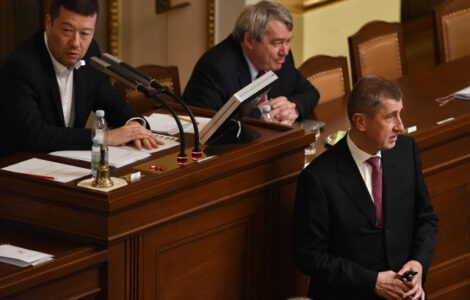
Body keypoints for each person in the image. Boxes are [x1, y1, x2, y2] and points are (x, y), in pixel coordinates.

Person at [293, 76, 438, 300]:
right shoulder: (318, 178)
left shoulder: (406, 150)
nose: (401, 125)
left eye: (400, 114)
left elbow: (426, 218)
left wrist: (418, 263)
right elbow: (309, 256)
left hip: (405, 293)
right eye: (391, 117)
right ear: (360, 122)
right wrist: (372, 283)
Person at [0, 0, 162, 157]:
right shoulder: (20, 66)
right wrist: (105, 137)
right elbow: (35, 134)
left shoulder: (90, 51)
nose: (76, 43)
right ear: (49, 23)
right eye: (67, 31)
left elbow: (108, 98)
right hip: (18, 165)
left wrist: (132, 124)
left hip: (67, 160)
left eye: (85, 33)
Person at [183, 1, 319, 126]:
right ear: (249, 40)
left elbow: (310, 93)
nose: (285, 51)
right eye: (277, 43)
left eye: (288, 41)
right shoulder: (215, 68)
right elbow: (205, 127)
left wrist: (291, 110)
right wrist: (259, 118)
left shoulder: (281, 58)